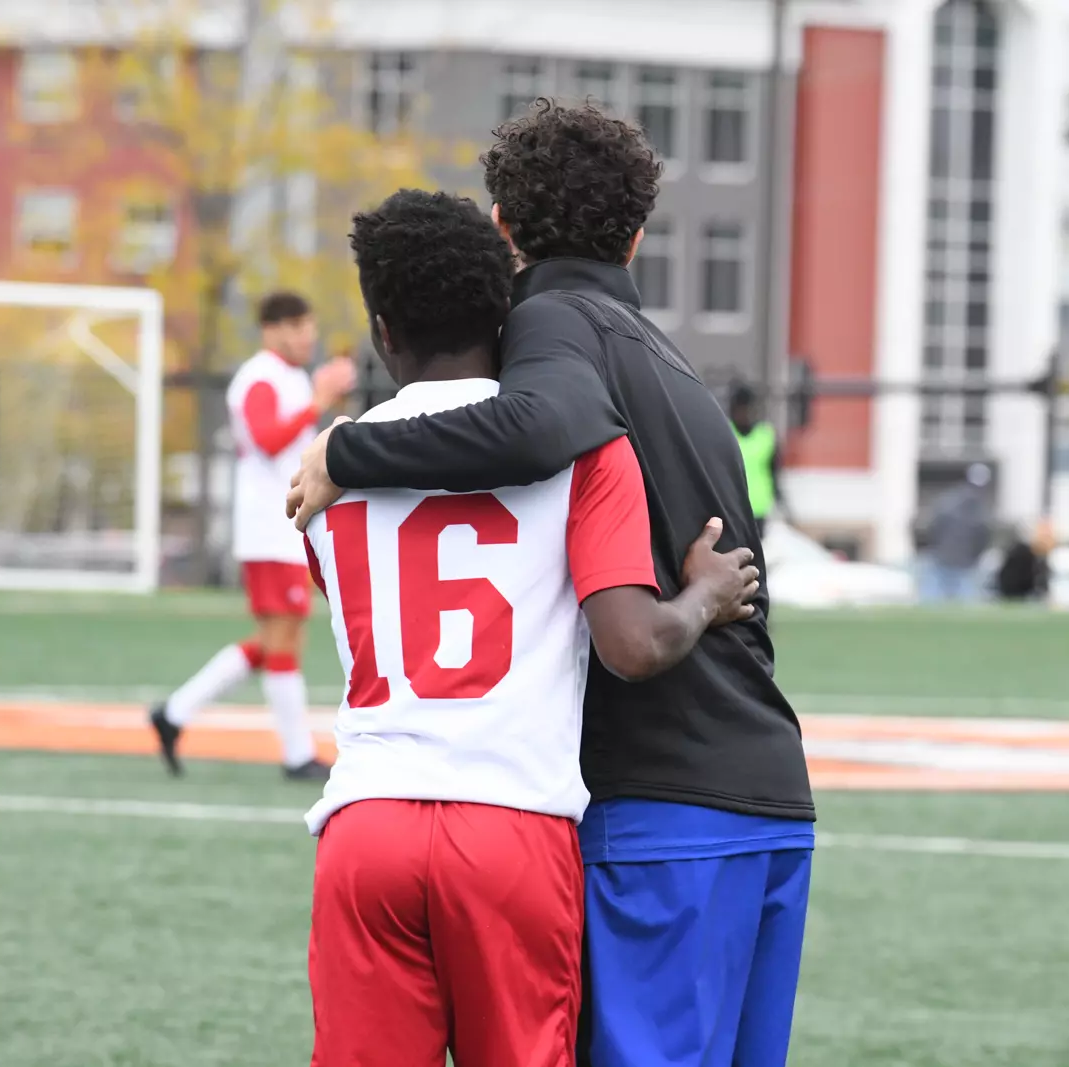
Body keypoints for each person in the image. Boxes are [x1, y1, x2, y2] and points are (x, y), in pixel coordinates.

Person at [286, 102, 815, 1067]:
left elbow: (544, 426)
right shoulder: (669, 370)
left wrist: (347, 449)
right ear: (641, 235)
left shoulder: (551, 345)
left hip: (638, 804)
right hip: (759, 792)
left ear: (503, 231)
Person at [148, 291, 353, 780]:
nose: (309, 337)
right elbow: (268, 439)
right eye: (300, 327)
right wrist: (318, 402)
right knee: (283, 638)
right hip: (267, 528)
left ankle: (175, 713)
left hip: (282, 526)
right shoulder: (259, 376)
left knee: (276, 638)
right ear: (274, 328)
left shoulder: (288, 377)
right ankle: (296, 753)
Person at [919, 463, 993, 603]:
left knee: (932, 607)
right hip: (956, 563)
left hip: (945, 559)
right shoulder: (979, 509)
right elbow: (983, 537)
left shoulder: (947, 501)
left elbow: (932, 528)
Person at [730, 382, 788, 526]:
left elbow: (774, 471)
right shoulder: (726, 432)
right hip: (732, 507)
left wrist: (780, 501)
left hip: (758, 508)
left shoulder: (766, 435)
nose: (744, 413)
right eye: (741, 409)